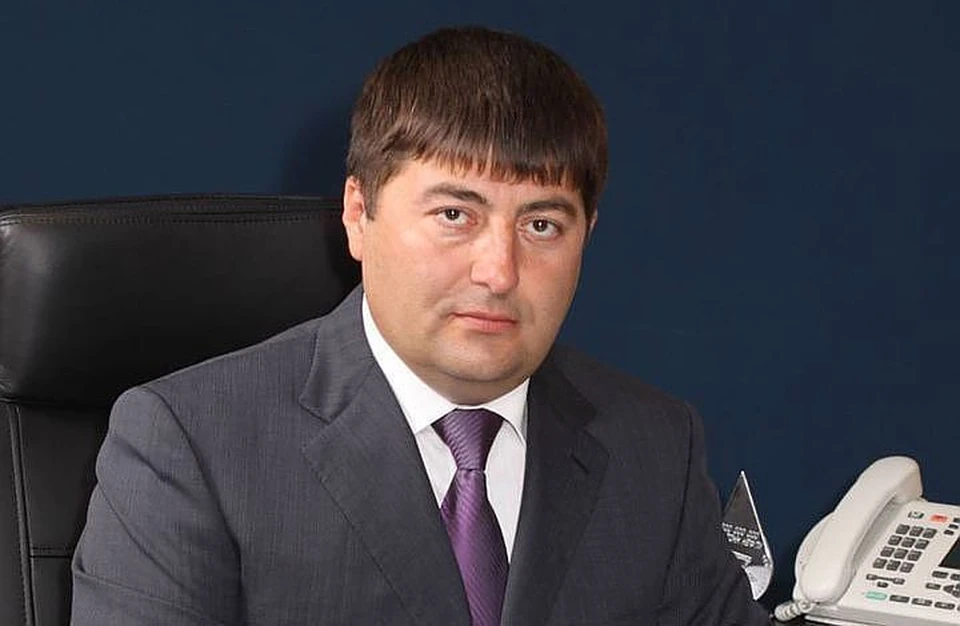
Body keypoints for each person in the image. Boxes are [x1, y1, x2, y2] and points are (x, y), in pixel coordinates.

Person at [71, 26, 771, 625]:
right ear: (358, 214)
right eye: (454, 215)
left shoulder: (655, 446)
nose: (499, 271)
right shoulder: (191, 444)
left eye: (541, 225)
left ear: (588, 234)